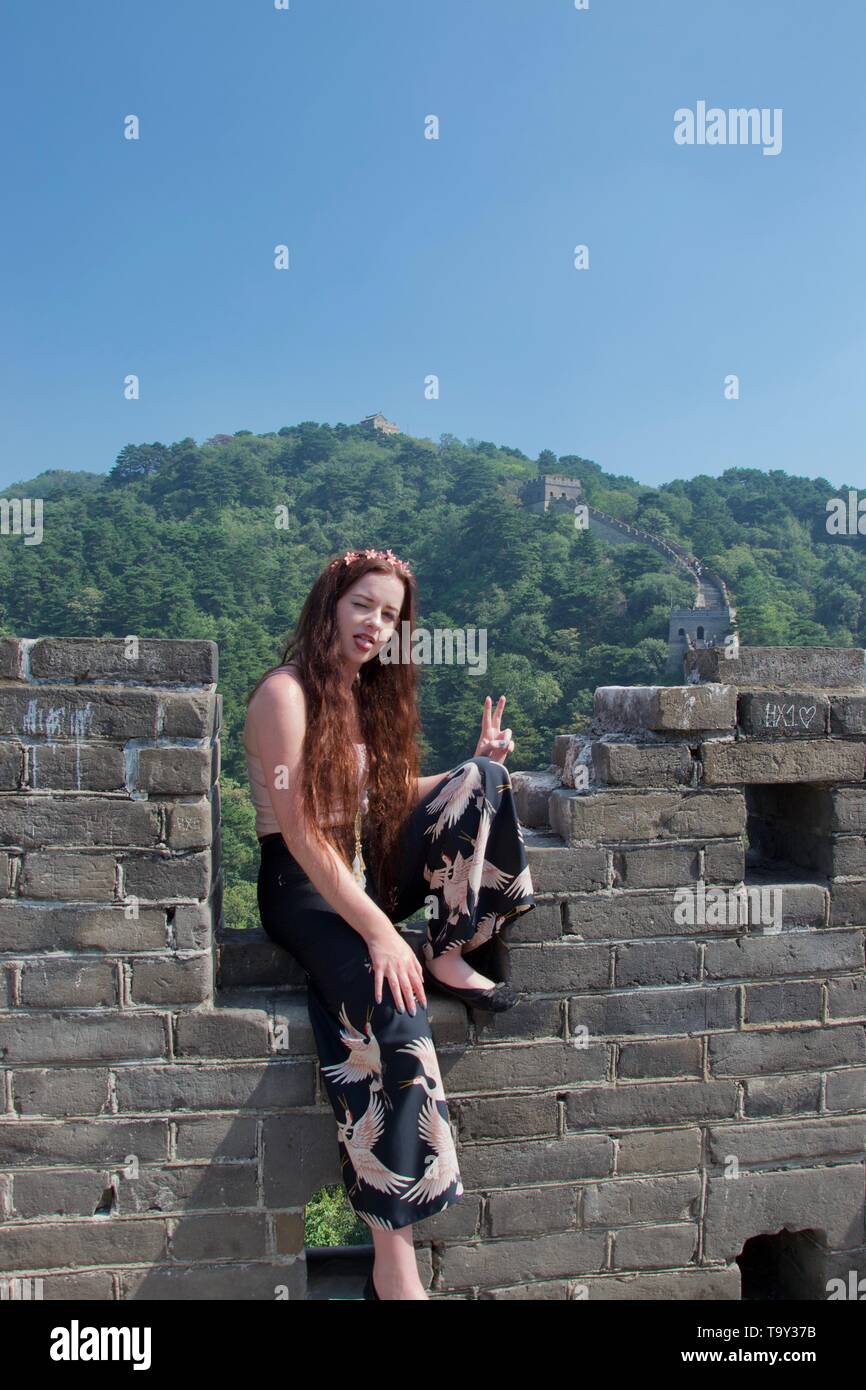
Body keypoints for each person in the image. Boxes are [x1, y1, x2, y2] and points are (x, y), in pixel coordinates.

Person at [244, 547, 536, 1300]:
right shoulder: (286, 694)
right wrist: (377, 932)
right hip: (304, 885)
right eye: (363, 605)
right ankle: (394, 1258)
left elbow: (387, 791)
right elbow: (307, 832)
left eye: (390, 614)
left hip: (362, 869)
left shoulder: (360, 694)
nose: (375, 624)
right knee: (393, 1012)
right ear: (330, 605)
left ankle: (446, 950)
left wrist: (470, 765)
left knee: (485, 784)